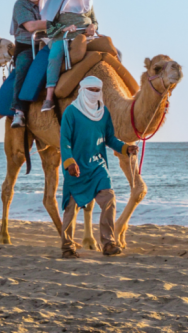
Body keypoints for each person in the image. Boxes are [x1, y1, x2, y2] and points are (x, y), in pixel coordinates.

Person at [57, 76, 135, 258]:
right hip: (75, 167)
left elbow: (109, 138)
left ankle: (108, 243)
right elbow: (65, 141)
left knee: (109, 199)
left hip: (98, 166)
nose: (93, 94)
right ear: (82, 90)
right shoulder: (71, 112)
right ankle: (67, 247)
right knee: (71, 207)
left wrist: (125, 148)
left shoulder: (104, 113)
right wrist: (69, 163)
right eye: (89, 90)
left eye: (96, 90)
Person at [39, 0, 96, 112]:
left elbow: (94, 19)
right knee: (54, 56)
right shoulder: (57, 1)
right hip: (62, 37)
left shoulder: (87, 0)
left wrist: (93, 27)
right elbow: (49, 25)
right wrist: (63, 28)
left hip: (86, 36)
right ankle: (49, 97)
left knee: (115, 51)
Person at [8, 0, 48, 127]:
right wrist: (55, 24)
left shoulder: (50, 4)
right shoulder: (21, 5)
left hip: (50, 44)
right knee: (23, 66)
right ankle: (19, 111)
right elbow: (31, 26)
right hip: (28, 47)